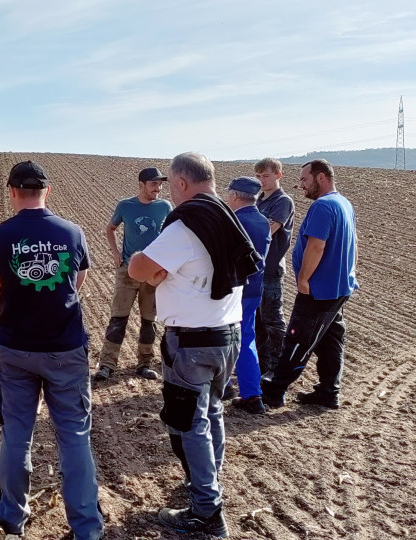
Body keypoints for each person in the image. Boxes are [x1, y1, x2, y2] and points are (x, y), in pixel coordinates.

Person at [127, 152, 261, 538]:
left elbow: (140, 269)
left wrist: (145, 259)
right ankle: (210, 486)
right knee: (212, 412)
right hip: (227, 335)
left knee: (190, 423)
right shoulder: (225, 215)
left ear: (182, 183)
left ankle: (206, 512)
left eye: (172, 184)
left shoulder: (187, 225)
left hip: (193, 342)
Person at [0, 161, 104, 540]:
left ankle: (11, 521)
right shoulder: (71, 232)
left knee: (17, 433)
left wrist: (22, 297)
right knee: (74, 436)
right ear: (46, 192)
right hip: (64, 350)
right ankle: (86, 529)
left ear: (13, 192)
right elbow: (76, 283)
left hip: (14, 349)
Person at [261, 159, 358, 409]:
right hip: (338, 288)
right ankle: (328, 392)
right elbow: (353, 244)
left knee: (298, 338)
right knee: (331, 339)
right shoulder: (344, 204)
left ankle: (274, 390)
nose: (301, 185)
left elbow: (317, 246)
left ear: (321, 178)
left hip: (319, 290)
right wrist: (351, 272)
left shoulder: (324, 207)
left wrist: (303, 279)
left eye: (305, 179)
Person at [95, 167, 172, 381]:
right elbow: (110, 228)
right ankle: (107, 364)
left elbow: (173, 233)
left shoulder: (165, 207)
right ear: (141, 185)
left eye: (160, 184)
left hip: (153, 273)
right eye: (154, 184)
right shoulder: (126, 206)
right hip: (127, 271)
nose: (158, 188)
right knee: (118, 318)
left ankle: (145, 363)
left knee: (149, 321)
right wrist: (115, 254)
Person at [224, 177, 270, 414]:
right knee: (247, 338)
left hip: (232, 290)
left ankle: (223, 386)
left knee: (223, 337)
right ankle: (252, 395)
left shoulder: (233, 221)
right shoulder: (263, 221)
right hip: (254, 289)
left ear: (234, 196)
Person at [253, 158, 295, 374]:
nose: (261, 181)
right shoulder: (258, 200)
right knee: (258, 322)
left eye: (266, 176)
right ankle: (263, 365)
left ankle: (278, 367)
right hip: (255, 269)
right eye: (258, 176)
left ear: (278, 175)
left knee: (272, 320)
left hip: (270, 270)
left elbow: (267, 231)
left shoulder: (282, 201)